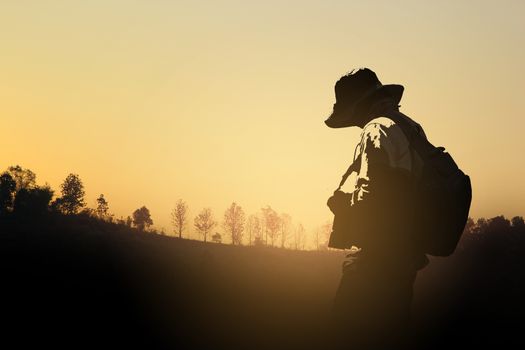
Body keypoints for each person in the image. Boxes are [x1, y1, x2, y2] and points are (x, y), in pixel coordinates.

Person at [324, 68, 429, 348]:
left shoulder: (377, 129)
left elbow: (377, 193)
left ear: (358, 106)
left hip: (377, 263)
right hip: (403, 260)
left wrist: (344, 206)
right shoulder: (408, 127)